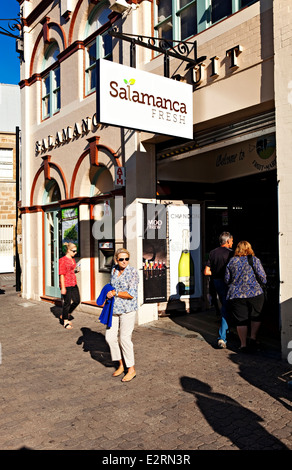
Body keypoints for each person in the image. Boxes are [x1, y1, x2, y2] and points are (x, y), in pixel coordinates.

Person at [225, 240, 267, 352]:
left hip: (237, 294)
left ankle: (243, 344)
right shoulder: (255, 260)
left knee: (241, 320)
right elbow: (263, 277)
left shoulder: (232, 261)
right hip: (255, 293)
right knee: (256, 316)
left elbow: (227, 279)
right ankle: (253, 338)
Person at [105, 248, 139, 382]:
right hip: (114, 309)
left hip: (128, 310)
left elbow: (131, 294)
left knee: (124, 339)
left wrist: (116, 293)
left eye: (126, 259)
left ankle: (131, 369)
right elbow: (111, 286)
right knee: (110, 337)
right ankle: (121, 364)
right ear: (116, 260)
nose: (124, 261)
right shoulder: (114, 269)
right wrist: (108, 294)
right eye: (121, 259)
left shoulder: (133, 272)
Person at [204, 232, 233, 349]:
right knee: (227, 307)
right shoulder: (231, 254)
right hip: (228, 283)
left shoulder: (213, 252)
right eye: (231, 241)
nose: (232, 243)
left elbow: (206, 272)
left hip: (216, 282)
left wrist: (216, 273)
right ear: (227, 241)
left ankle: (226, 331)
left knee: (224, 305)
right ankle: (222, 337)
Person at [59, 242, 80, 329]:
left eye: (76, 251)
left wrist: (76, 270)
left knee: (77, 300)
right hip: (66, 284)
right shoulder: (62, 260)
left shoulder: (73, 259)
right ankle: (65, 321)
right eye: (74, 251)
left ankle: (65, 314)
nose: (75, 253)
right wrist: (63, 287)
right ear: (68, 250)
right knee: (67, 303)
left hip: (73, 282)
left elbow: (70, 270)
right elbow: (62, 274)